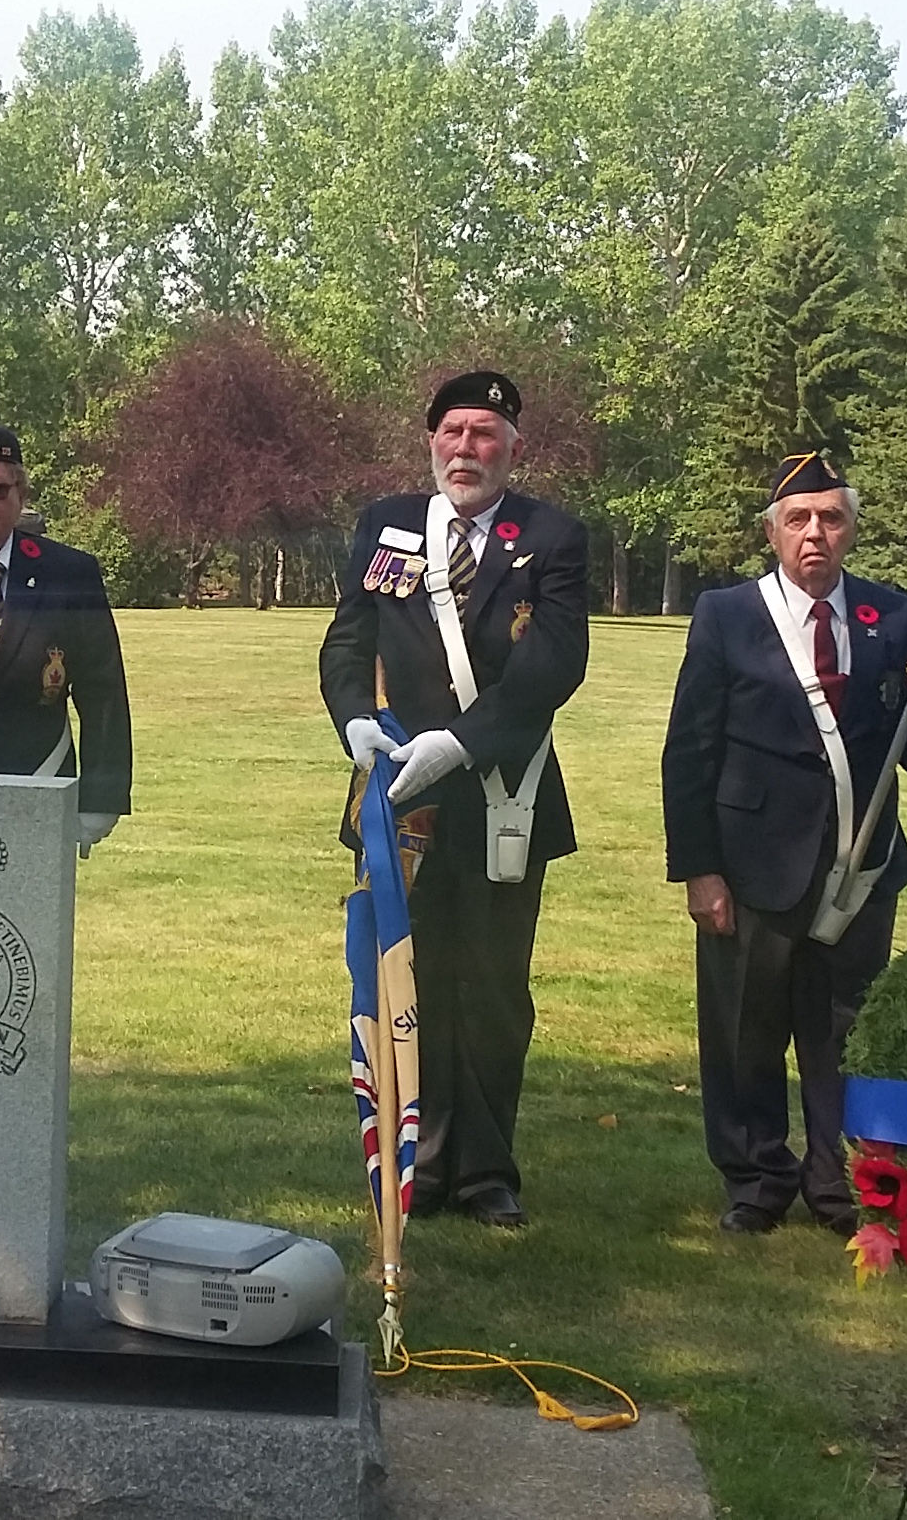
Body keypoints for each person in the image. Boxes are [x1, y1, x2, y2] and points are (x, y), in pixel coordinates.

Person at [318, 371, 588, 1230]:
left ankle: (486, 1168)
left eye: (484, 434)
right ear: (431, 441)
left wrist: (463, 743)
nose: (465, 449)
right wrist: (356, 719)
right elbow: (348, 638)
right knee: (409, 976)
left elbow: (554, 665)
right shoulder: (387, 524)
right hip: (402, 794)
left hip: (504, 789)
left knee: (495, 987)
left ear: (514, 447)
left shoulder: (550, 536)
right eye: (453, 433)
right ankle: (420, 1158)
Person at [661, 453, 907, 1235]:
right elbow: (689, 750)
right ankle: (755, 1178)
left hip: (861, 865)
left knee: (845, 1029)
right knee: (745, 1027)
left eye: (831, 518)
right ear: (773, 533)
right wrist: (700, 870)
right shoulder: (726, 614)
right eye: (798, 520)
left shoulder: (894, 618)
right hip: (751, 864)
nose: (815, 533)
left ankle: (839, 1183)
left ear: (851, 528)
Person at [0, 424, 133, 857]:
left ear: (21, 495)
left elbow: (102, 690)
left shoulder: (69, 574)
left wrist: (100, 796)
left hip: (36, 784)